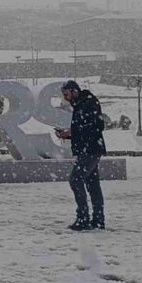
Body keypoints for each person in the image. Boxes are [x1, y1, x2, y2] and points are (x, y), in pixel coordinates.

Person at [55, 80, 106, 230]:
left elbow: (96, 126)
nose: (66, 98)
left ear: (74, 91)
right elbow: (84, 128)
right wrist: (68, 134)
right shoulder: (81, 104)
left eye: (67, 94)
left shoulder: (88, 102)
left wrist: (72, 132)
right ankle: (97, 220)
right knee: (92, 184)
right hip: (89, 148)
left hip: (90, 149)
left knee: (75, 180)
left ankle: (83, 218)